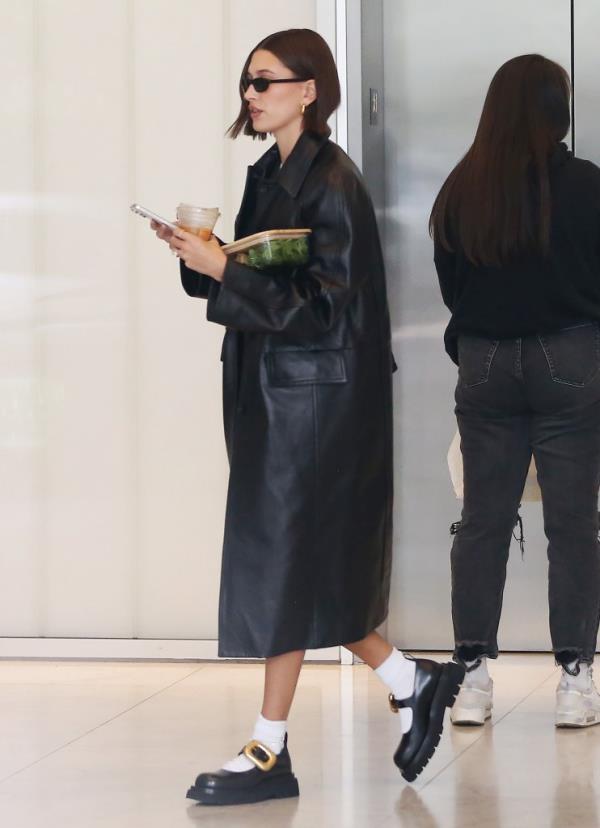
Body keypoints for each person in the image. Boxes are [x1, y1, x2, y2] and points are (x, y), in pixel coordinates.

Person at [151, 28, 463, 805]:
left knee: (287, 562)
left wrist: (224, 267)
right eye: (247, 84)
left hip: (317, 405)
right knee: (289, 565)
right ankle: (387, 687)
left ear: (309, 88)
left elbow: (325, 308)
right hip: (281, 399)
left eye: (264, 81)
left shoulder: (334, 182)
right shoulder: (273, 173)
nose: (251, 95)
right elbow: (265, 276)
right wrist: (205, 256)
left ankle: (279, 741)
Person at [431, 53, 600, 728]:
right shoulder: (588, 185)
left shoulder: (462, 189)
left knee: (483, 524)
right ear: (557, 112)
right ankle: (574, 682)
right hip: (571, 358)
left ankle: (471, 681)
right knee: (572, 525)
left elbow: (452, 288)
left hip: (485, 363)